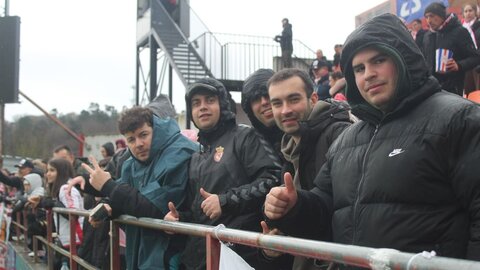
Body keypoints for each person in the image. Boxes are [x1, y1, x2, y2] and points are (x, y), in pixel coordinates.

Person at [264, 13, 480, 264]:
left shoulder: (459, 119)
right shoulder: (347, 140)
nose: (368, 74)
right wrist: (295, 207)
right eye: (359, 68)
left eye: (378, 60)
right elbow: (327, 208)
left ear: (404, 59)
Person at [165, 78, 282, 270]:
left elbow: (272, 180)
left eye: (209, 100)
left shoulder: (245, 137)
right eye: (196, 103)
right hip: (200, 258)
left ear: (223, 104)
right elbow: (198, 213)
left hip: (238, 257)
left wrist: (225, 201)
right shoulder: (197, 156)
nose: (202, 107)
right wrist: (178, 220)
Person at [76, 106, 197, 270]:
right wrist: (108, 205)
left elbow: (156, 207)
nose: (138, 144)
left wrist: (108, 186)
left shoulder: (180, 151)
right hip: (140, 254)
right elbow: (127, 195)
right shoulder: (130, 164)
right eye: (131, 140)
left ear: (156, 129)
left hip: (172, 255)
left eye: (144, 135)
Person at [266, 68, 352, 269]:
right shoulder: (288, 146)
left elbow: (343, 211)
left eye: (293, 99)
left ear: (313, 99)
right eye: (277, 103)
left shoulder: (340, 134)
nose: (285, 110)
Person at [422, 2, 480, 96]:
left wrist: (458, 65)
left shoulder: (459, 32)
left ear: (441, 15)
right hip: (432, 90)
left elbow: (475, 57)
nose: (429, 21)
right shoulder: (428, 36)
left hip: (453, 90)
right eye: (426, 17)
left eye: (432, 16)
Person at [462, 3, 480, 93]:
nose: (468, 13)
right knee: (469, 91)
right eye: (465, 11)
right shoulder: (461, 29)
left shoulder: (478, 26)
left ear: (475, 12)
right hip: (467, 64)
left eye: (470, 10)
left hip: (478, 63)